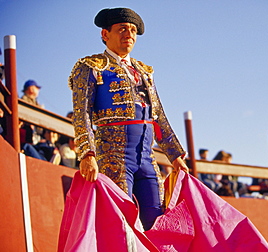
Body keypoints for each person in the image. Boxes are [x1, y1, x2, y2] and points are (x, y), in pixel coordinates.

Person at [69, 7, 188, 231]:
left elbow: (158, 116)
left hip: (146, 157)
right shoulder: (90, 67)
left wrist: (175, 155)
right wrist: (88, 153)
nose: (129, 34)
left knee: (156, 220)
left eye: (133, 30)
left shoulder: (144, 71)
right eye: (122, 29)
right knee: (119, 220)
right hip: (114, 154)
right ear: (105, 34)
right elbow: (81, 113)